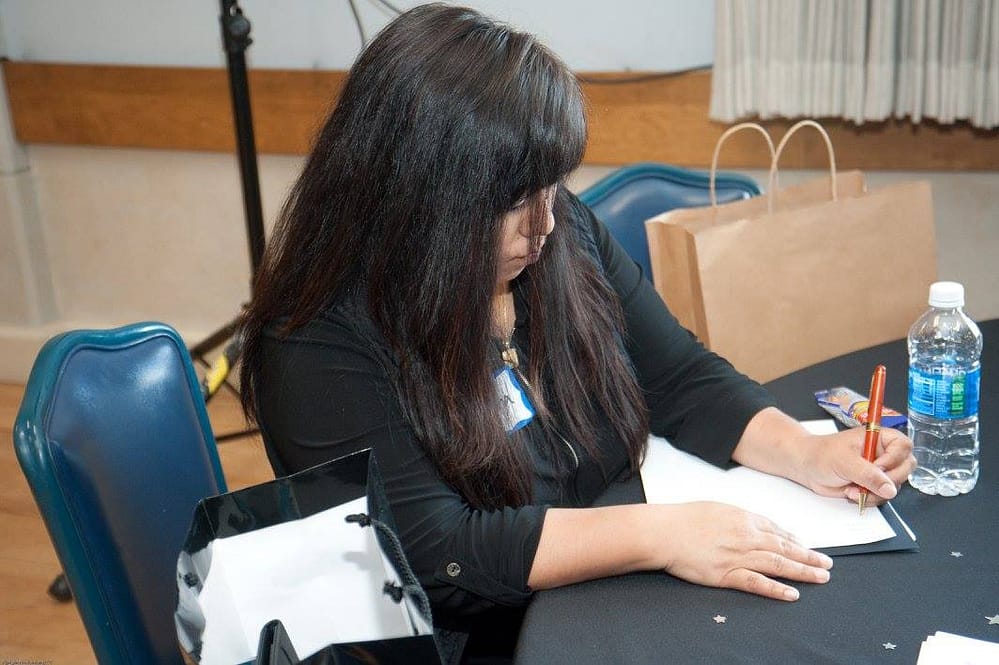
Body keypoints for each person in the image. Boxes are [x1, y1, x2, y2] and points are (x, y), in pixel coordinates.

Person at [239, 3, 915, 661]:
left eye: (550, 188)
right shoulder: (315, 344)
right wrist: (660, 534)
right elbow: (437, 550)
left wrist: (804, 450)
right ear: (419, 200)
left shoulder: (558, 235)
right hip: (484, 638)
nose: (545, 225)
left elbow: (679, 376)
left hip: (616, 578)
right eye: (514, 202)